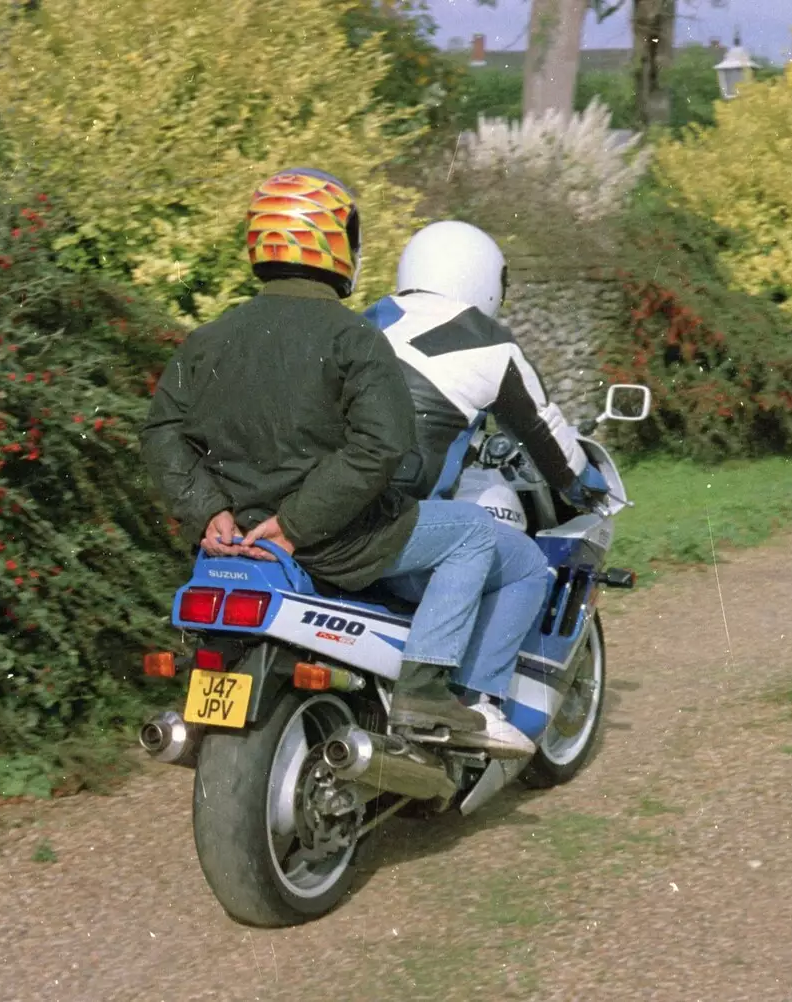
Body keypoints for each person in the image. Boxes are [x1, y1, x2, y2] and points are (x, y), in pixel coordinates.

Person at [140, 168, 533, 754]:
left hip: (232, 540)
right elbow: (380, 447)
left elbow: (163, 432)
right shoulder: (354, 339)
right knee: (474, 534)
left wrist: (208, 511)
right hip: (336, 540)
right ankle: (425, 691)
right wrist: (297, 524)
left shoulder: (210, 337)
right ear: (337, 243)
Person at [363, 220, 610, 745]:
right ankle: (473, 704)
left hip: (320, 520)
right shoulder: (490, 345)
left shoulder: (362, 323)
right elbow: (548, 437)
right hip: (393, 531)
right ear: (486, 280)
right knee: (524, 567)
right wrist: (586, 487)